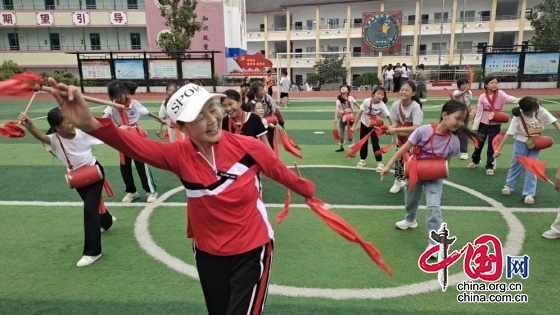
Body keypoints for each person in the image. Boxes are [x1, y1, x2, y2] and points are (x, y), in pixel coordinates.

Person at [50, 79, 315, 314]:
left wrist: (309, 193)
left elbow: (280, 172)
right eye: (198, 116)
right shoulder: (178, 155)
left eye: (212, 109)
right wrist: (88, 123)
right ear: (183, 127)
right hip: (208, 252)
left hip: (252, 249)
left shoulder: (249, 146)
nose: (211, 119)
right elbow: (133, 145)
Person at [380, 100, 480, 257]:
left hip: (434, 176)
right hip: (415, 170)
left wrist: (441, 176)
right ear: (444, 115)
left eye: (463, 120)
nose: (460, 123)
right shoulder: (424, 131)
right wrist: (388, 166)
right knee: (411, 199)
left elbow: (446, 163)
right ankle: (410, 219)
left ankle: (435, 244)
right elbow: (403, 150)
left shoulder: (454, 141)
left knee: (434, 208)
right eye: (457, 118)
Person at [19, 108, 115, 267]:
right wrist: (30, 125)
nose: (73, 123)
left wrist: (123, 130)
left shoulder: (83, 134)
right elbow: (42, 137)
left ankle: (93, 252)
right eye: (68, 121)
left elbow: (108, 135)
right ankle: (107, 220)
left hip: (94, 172)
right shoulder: (55, 139)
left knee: (89, 209)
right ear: (58, 128)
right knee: (91, 203)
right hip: (77, 178)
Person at [102, 80, 166, 203]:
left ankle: (151, 191)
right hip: (122, 137)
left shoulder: (134, 104)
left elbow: (147, 113)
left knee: (141, 164)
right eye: (115, 96)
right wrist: (117, 128)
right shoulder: (111, 105)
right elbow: (105, 119)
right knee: (125, 166)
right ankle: (131, 191)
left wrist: (160, 120)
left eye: (120, 95)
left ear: (126, 93)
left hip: (135, 136)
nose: (118, 99)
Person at [494, 97, 560, 205]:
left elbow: (555, 123)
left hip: (536, 143)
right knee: (516, 164)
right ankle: (509, 186)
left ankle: (529, 194)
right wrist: (499, 149)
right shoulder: (518, 116)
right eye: (527, 113)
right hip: (521, 141)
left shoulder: (541, 111)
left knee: (533, 167)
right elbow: (509, 133)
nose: (529, 115)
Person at [470, 76, 519, 175]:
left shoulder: (500, 94)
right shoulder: (482, 96)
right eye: (492, 83)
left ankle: (490, 166)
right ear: (486, 85)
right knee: (479, 144)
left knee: (492, 146)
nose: (494, 85)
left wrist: (526, 100)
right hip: (483, 124)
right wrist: (475, 127)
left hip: (495, 124)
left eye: (496, 83)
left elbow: (511, 99)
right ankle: (475, 160)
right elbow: (479, 112)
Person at [385, 80, 423, 193]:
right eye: (402, 89)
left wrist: (395, 129)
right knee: (399, 160)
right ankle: (398, 181)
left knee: (412, 161)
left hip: (414, 139)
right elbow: (395, 123)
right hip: (401, 137)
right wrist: (390, 129)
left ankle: (412, 181)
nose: (403, 92)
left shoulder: (416, 107)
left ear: (413, 93)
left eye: (407, 90)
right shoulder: (396, 105)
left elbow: (416, 127)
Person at [352, 86, 394, 170]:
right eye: (378, 94)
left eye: (382, 95)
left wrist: (392, 128)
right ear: (373, 94)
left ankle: (379, 162)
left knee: (375, 143)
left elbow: (389, 116)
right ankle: (362, 160)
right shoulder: (367, 102)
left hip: (375, 125)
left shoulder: (382, 105)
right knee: (363, 142)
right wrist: (354, 126)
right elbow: (359, 113)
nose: (380, 96)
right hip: (364, 123)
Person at [246, 81, 285, 149]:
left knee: (269, 144)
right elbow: (248, 115)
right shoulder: (251, 102)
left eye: (263, 89)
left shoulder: (267, 98)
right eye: (260, 90)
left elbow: (275, 110)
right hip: (256, 126)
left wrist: (281, 122)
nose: (262, 91)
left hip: (268, 126)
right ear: (255, 92)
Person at [453, 78, 473, 160]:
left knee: (463, 132)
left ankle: (464, 152)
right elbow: (455, 96)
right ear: (459, 86)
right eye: (462, 84)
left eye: (466, 84)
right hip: (456, 114)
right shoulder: (456, 92)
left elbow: (469, 103)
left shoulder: (470, 93)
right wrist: (464, 91)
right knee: (454, 131)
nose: (464, 85)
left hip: (465, 114)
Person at [334, 84, 357, 153]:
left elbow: (357, 105)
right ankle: (341, 147)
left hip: (350, 118)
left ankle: (352, 150)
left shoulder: (351, 98)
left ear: (348, 91)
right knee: (341, 135)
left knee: (350, 134)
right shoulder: (339, 99)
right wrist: (335, 118)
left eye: (344, 88)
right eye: (341, 88)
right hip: (342, 118)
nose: (342, 88)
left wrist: (363, 111)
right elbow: (337, 108)